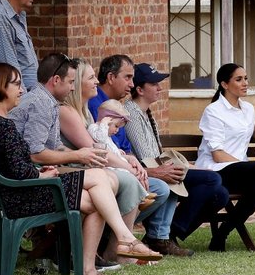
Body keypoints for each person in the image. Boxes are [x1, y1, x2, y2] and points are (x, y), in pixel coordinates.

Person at [0, 63, 161, 275]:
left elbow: (15, 165)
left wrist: (41, 172)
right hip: (25, 195)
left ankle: (103, 259)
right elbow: (20, 169)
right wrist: (43, 176)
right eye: (16, 84)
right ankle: (113, 249)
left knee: (96, 197)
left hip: (23, 190)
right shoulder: (0, 125)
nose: (22, 90)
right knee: (100, 181)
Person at [60, 59, 185, 258]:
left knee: (169, 184)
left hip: (96, 168)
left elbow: (107, 147)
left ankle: (124, 244)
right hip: (81, 171)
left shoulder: (86, 110)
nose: (95, 82)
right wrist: (130, 167)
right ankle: (121, 244)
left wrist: (129, 160)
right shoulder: (72, 110)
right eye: (91, 77)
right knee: (134, 181)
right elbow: (95, 149)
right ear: (75, 83)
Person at [124, 63, 229, 249]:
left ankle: (167, 234)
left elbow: (156, 154)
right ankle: (162, 236)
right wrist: (177, 166)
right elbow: (147, 156)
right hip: (146, 170)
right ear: (139, 89)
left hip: (158, 167)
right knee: (212, 180)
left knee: (220, 194)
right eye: (154, 84)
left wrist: (182, 164)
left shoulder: (146, 113)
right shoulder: (131, 112)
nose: (159, 88)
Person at [195, 63, 255, 252]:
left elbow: (245, 126)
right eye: (239, 79)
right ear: (224, 84)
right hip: (216, 170)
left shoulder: (247, 108)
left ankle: (220, 237)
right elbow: (218, 154)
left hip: (238, 170)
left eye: (246, 78)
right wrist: (249, 169)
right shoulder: (213, 111)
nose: (245, 83)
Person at [87, 54, 135, 153]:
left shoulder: (115, 106)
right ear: (111, 78)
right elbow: (107, 146)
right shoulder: (97, 106)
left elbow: (126, 148)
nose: (132, 84)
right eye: (127, 77)